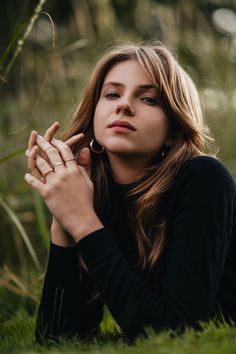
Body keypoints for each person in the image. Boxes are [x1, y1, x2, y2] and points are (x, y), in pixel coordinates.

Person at [25, 41, 236, 345]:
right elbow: (56, 340)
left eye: (148, 99)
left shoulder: (204, 178)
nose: (123, 105)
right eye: (112, 94)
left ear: (174, 128)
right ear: (94, 111)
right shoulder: (95, 191)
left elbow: (176, 331)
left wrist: (83, 221)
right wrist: (65, 218)